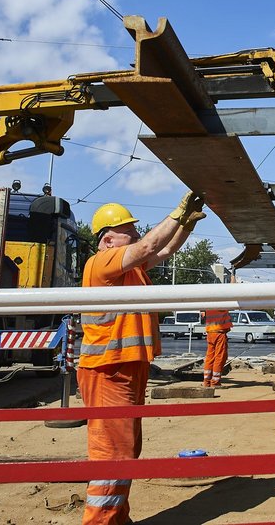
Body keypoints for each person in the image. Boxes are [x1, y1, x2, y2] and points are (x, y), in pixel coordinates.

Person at [78, 192, 206, 525]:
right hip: (108, 371)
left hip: (126, 368)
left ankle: (117, 518)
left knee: (126, 449)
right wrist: (177, 213)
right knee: (112, 453)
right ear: (107, 239)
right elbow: (149, 246)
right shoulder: (102, 262)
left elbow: (163, 250)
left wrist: (185, 227)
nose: (135, 233)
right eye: (128, 230)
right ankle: (100, 522)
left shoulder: (129, 269)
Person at [203, 309, 232, 387]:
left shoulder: (210, 305)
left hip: (210, 333)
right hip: (219, 333)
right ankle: (215, 382)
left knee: (210, 357)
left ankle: (207, 381)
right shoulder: (222, 305)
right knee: (219, 357)